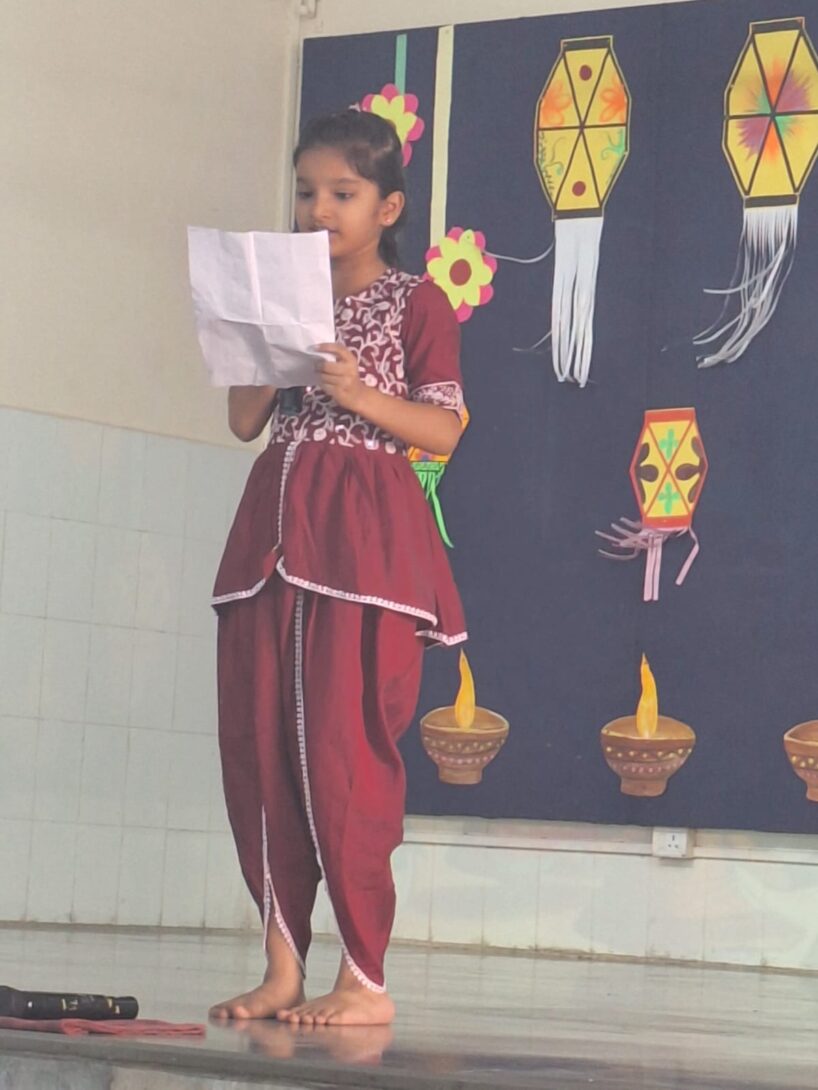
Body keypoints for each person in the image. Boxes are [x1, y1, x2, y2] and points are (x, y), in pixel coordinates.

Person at [209, 109, 467, 1027]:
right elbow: (245, 421)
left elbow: (443, 428)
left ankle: (365, 979)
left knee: (345, 753)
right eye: (307, 192)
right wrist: (262, 339)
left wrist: (359, 393)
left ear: (387, 207)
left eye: (343, 194)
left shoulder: (417, 303)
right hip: (274, 538)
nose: (319, 210)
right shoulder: (284, 299)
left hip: (366, 551)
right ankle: (283, 966)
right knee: (263, 750)